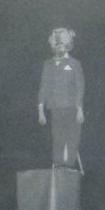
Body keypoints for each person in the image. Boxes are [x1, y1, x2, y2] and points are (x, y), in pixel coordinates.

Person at [37, 27, 85, 170]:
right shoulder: (48, 64)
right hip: (56, 108)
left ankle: (69, 164)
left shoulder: (75, 64)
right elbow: (43, 87)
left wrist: (79, 109)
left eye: (62, 45)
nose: (60, 47)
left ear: (68, 46)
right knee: (58, 137)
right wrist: (40, 110)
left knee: (72, 137)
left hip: (72, 108)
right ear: (53, 46)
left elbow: (80, 87)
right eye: (57, 45)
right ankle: (58, 165)